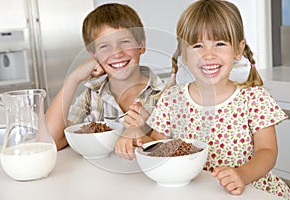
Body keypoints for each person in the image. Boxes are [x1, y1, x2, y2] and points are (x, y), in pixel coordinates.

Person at [145, 0, 290, 198]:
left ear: (238, 50)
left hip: (251, 191)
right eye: (197, 45)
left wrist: (242, 174)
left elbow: (267, 152)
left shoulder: (254, 98)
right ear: (184, 55)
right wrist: (135, 140)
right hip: (196, 192)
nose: (208, 54)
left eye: (220, 44)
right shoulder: (171, 99)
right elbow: (156, 144)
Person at [45, 3, 165, 151]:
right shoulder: (92, 95)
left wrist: (148, 131)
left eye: (124, 42)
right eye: (104, 46)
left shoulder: (167, 94)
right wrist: (73, 79)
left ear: (141, 45)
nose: (117, 53)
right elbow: (49, 142)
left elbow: (178, 152)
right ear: (93, 55)